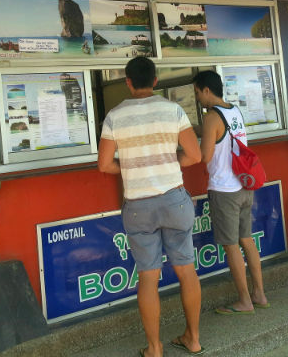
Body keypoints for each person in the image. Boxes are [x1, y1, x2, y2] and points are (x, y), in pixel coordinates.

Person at [98, 56, 204, 357]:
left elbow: (104, 164)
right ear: (155, 81)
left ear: (128, 82)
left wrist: (131, 166)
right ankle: (193, 339)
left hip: (138, 206)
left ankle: (155, 348)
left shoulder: (115, 116)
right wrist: (168, 162)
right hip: (174, 199)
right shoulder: (173, 110)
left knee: (148, 276)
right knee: (186, 270)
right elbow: (195, 155)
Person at [192, 70, 269, 315]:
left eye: (197, 92)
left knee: (231, 246)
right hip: (244, 186)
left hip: (224, 189)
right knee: (246, 241)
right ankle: (259, 294)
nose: (197, 98)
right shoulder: (234, 111)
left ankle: (244, 300)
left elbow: (205, 156)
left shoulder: (212, 117)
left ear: (206, 90)